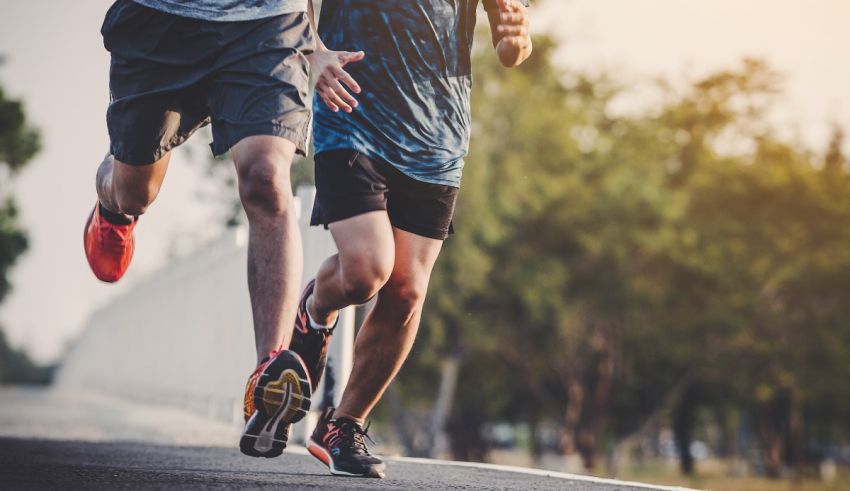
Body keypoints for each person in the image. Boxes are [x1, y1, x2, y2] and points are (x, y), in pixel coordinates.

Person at [288, 0, 533, 478]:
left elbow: (512, 48)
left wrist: (517, 35)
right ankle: (316, 310)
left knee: (406, 290)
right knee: (365, 270)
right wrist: (312, 51)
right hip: (352, 115)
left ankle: (344, 424)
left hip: (437, 139)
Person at [82, 0, 317, 458]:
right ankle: (114, 211)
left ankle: (268, 371)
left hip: (267, 24)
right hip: (162, 22)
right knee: (136, 192)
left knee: (268, 177)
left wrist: (320, 42)